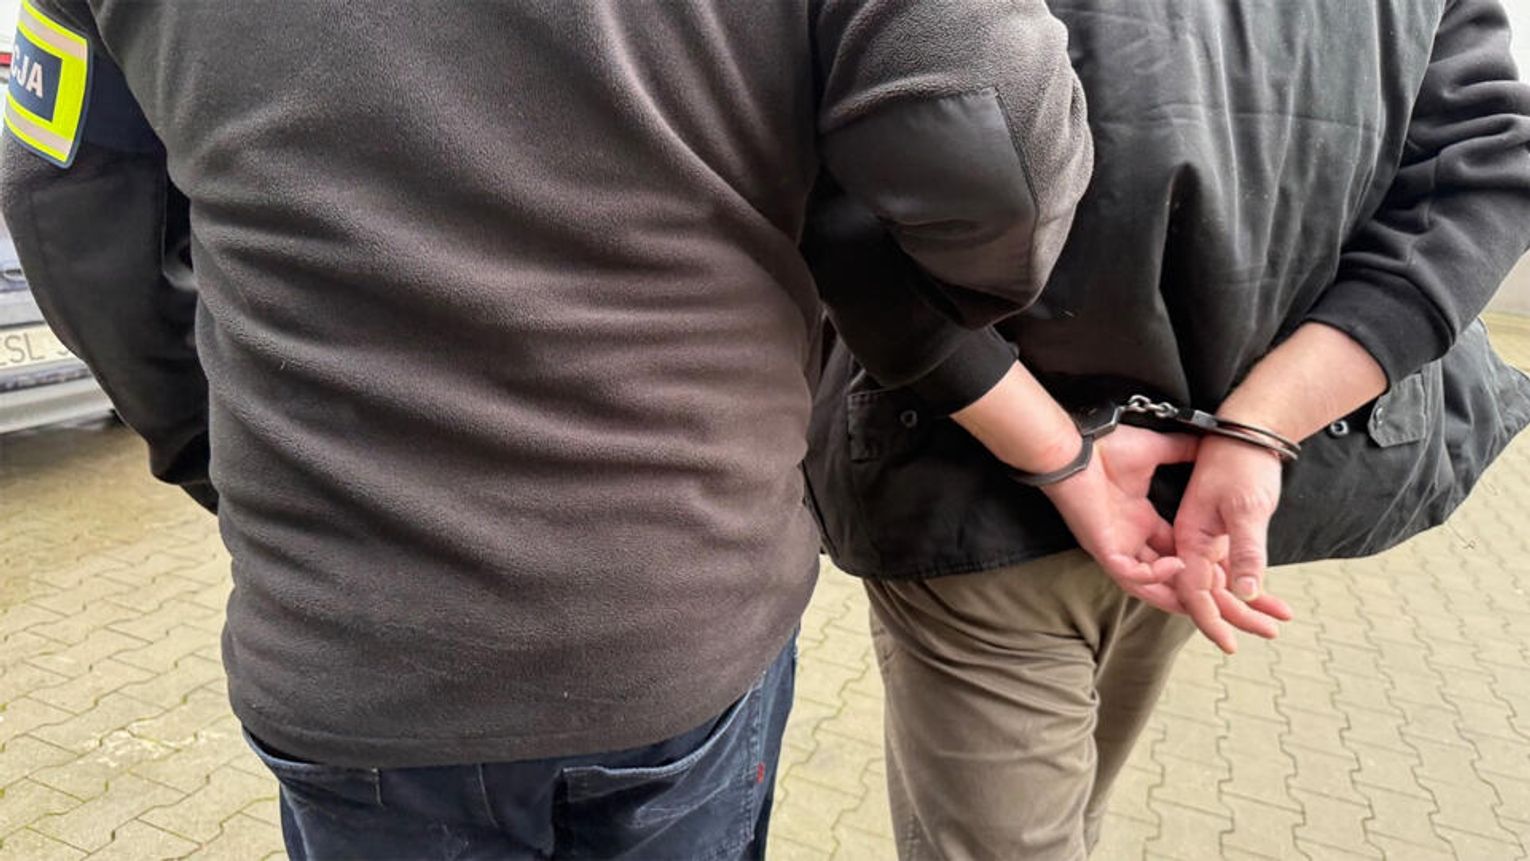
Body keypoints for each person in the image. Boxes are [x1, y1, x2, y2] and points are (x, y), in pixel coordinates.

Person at [2, 1, 1101, 857]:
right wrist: (943, 300)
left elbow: (63, 197)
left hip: (347, 638)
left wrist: (220, 453)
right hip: (674, 609)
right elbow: (998, 168)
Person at [803, 0, 1530, 857]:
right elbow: (1479, 167)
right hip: (1042, 491)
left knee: (1065, 812)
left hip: (1140, 496)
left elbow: (849, 171)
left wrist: (1250, 427)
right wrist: (1252, 428)